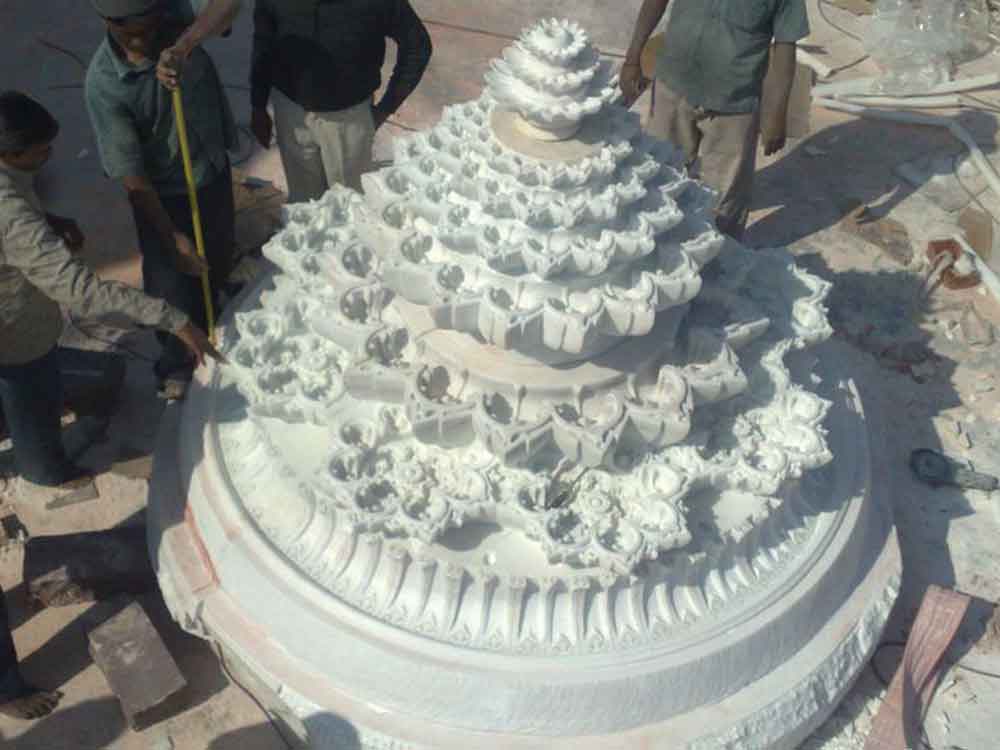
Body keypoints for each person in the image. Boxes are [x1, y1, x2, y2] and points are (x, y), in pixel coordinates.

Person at [1, 90, 221, 720]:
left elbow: (19, 219)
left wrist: (47, 223)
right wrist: (172, 318)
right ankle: (7, 688)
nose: (49, 157)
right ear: (11, 151)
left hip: (19, 334)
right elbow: (80, 291)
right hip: (13, 336)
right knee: (32, 402)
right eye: (39, 151)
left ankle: (40, 454)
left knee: (35, 397)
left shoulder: (12, 193)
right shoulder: (10, 212)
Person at [85, 0, 242, 398]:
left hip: (211, 168)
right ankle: (176, 364)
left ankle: (217, 317)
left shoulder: (176, 16)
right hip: (163, 197)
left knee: (217, 255)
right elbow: (131, 176)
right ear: (106, 20)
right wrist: (172, 237)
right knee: (171, 283)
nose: (143, 36)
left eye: (149, 23)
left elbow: (228, 5)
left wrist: (185, 44)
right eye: (130, 29)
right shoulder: (105, 84)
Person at [621, 0, 809, 240]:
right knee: (656, 177)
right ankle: (651, 248)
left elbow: (785, 45)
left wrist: (776, 114)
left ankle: (719, 254)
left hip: (735, 102)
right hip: (673, 84)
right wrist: (632, 59)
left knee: (723, 201)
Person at [250, 0, 432, 200]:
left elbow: (418, 46)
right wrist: (258, 105)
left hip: (348, 121)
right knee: (303, 203)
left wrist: (385, 108)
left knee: (348, 204)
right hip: (291, 114)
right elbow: (263, 42)